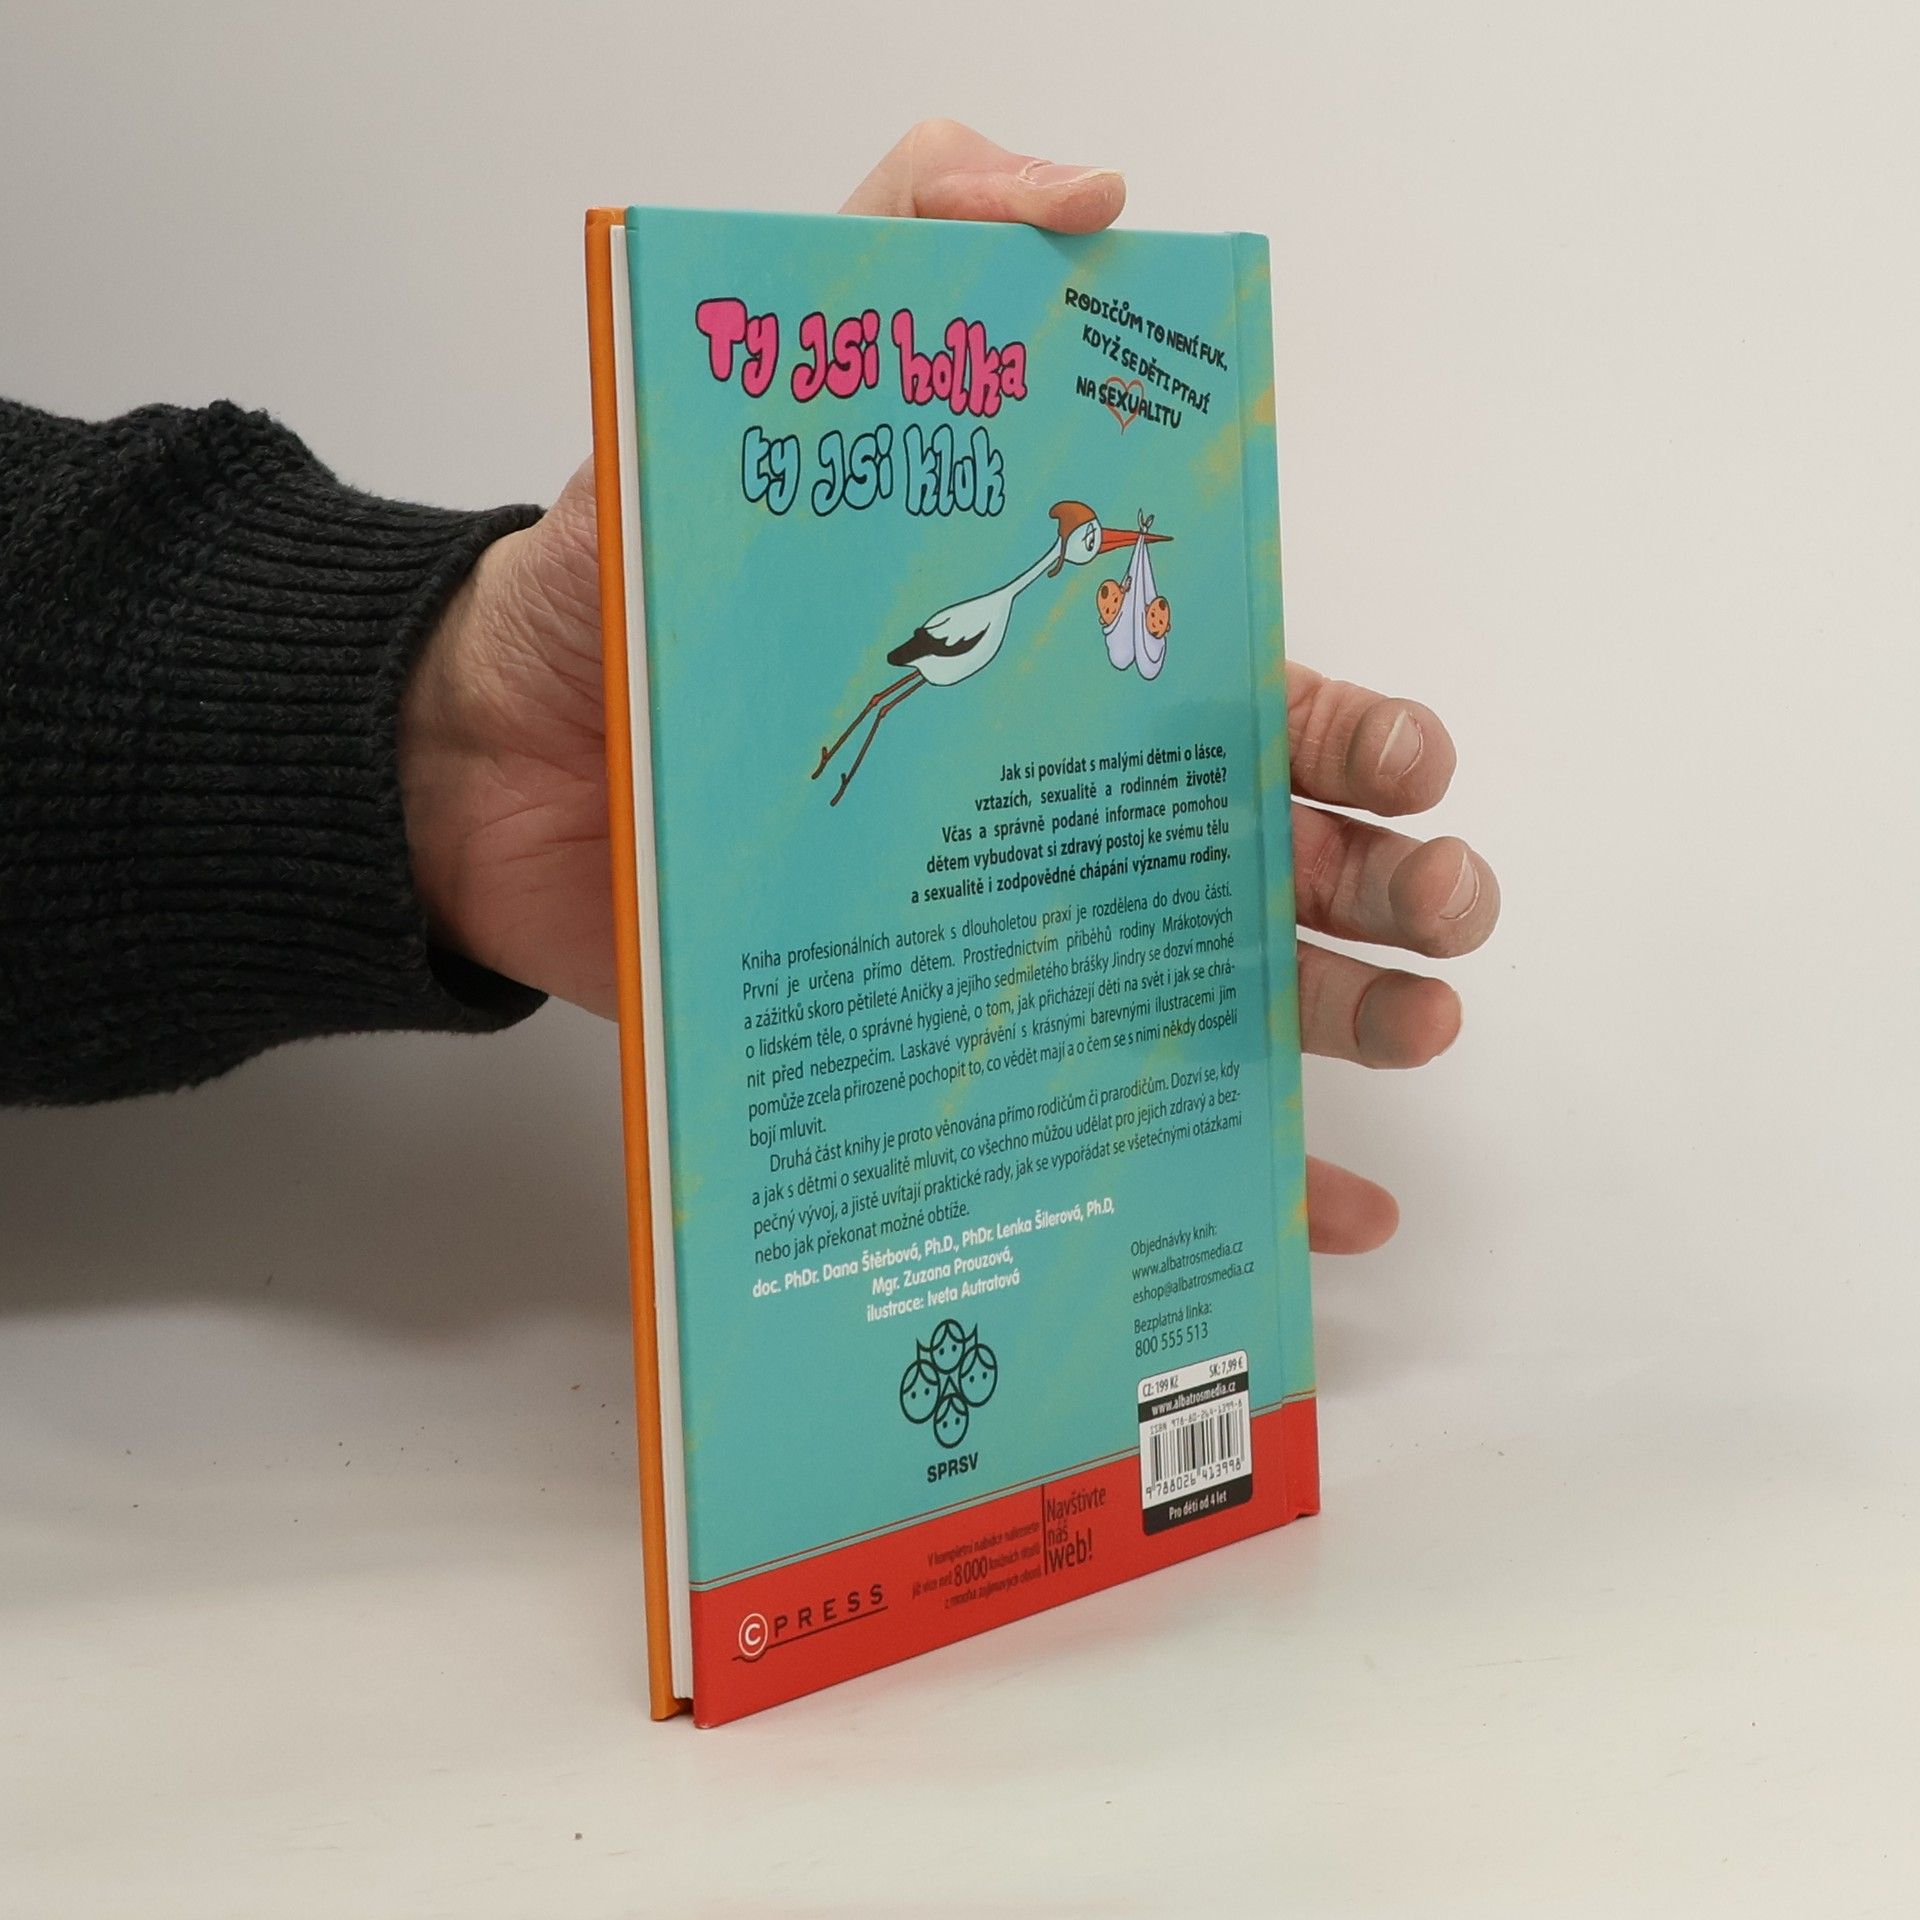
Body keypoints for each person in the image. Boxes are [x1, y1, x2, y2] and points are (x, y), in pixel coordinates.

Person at [0, 120, 1498, 1255]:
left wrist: (445, 729)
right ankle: (842, 753)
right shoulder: (992, 600)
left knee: (909, 706)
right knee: (892, 705)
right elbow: (941, 648)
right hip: (908, 675)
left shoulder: (1027, 597)